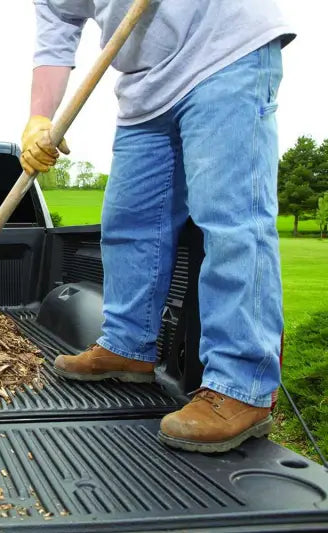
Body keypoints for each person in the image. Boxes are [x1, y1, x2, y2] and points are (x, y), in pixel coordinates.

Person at [21, 0, 295, 453]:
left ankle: (242, 386)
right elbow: (57, 28)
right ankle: (128, 345)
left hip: (222, 51)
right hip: (145, 85)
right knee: (128, 225)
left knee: (229, 223)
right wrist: (39, 119)